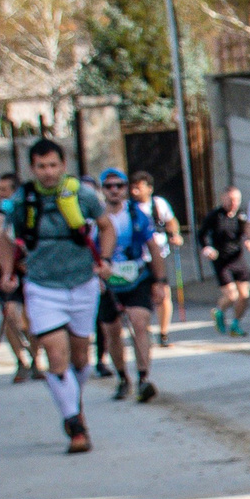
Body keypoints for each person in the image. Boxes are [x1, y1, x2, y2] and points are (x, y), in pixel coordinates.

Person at [0, 138, 109, 454]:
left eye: (53, 165)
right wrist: (6, 272)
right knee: (56, 355)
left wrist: (107, 260)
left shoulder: (82, 195)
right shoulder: (21, 201)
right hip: (42, 286)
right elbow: (5, 239)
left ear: (63, 165)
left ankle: (73, 401)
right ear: (32, 168)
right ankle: (75, 423)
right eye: (41, 166)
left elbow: (105, 226)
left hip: (82, 283)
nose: (47, 172)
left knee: (81, 357)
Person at [92, 169, 165, 402]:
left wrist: (160, 281)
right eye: (109, 186)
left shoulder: (137, 215)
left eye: (119, 186)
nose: (114, 190)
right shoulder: (93, 219)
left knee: (139, 323)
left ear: (126, 189)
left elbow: (153, 247)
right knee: (112, 332)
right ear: (102, 190)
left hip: (136, 277)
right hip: (106, 282)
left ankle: (143, 378)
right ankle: (123, 378)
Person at [129, 171, 184, 343]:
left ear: (149, 189)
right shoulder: (129, 207)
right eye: (133, 187)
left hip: (159, 254)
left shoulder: (158, 204)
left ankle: (163, 332)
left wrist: (175, 234)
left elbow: (171, 221)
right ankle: (143, 331)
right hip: (138, 257)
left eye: (139, 187)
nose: (135, 191)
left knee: (163, 293)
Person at [0, 172, 36, 383]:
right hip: (6, 273)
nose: (1, 194)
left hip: (29, 271)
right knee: (10, 315)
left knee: (31, 319)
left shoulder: (28, 211)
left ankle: (36, 360)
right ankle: (20, 360)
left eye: (5, 190)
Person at [198, 185, 250, 335]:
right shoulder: (215, 216)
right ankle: (219, 310)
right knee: (232, 295)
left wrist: (248, 241)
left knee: (244, 295)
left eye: (236, 200)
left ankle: (236, 323)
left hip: (237, 258)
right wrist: (207, 248)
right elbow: (202, 234)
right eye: (230, 200)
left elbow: (246, 232)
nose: (233, 203)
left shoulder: (241, 216)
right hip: (221, 260)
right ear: (223, 199)